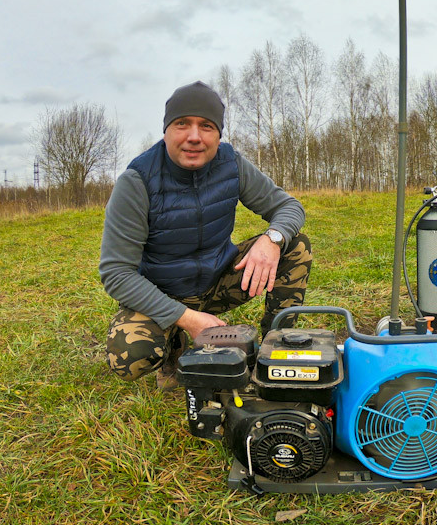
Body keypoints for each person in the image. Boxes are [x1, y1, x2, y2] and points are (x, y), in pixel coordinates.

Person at [100, 81, 311, 389]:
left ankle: (275, 350)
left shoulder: (232, 164)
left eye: (207, 126)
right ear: (167, 130)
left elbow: (288, 206)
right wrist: (185, 318)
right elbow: (116, 273)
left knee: (296, 246)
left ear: (219, 135)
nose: (194, 137)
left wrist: (273, 239)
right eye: (182, 124)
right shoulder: (137, 182)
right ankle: (173, 348)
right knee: (128, 357)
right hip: (164, 293)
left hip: (218, 281)